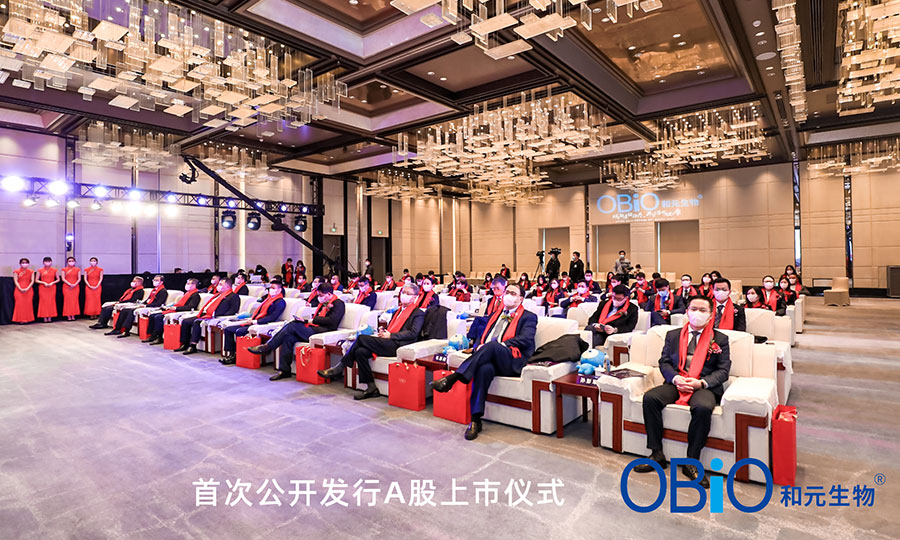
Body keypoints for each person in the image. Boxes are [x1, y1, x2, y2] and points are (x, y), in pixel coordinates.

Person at [634, 296, 731, 488]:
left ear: (710, 314)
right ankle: (656, 453)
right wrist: (676, 378)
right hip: (677, 381)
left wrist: (700, 383)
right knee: (650, 398)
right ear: (687, 312)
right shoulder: (673, 335)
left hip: (702, 384)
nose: (697, 314)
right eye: (693, 309)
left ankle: (691, 462)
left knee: (703, 408)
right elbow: (664, 362)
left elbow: (723, 371)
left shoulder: (720, 339)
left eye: (702, 310)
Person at [432, 283, 538, 440]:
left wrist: (500, 345)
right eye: (507, 292)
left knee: (493, 345)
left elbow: (526, 339)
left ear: (521, 299)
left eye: (513, 293)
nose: (508, 295)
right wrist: (478, 346)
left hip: (511, 359)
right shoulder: (496, 314)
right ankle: (475, 420)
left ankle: (454, 377)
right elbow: (482, 336)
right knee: (484, 370)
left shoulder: (529, 317)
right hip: (490, 357)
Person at [319, 283, 426, 399]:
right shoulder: (397, 311)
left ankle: (340, 367)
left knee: (361, 338)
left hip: (399, 344)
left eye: (408, 293)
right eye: (403, 292)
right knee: (360, 352)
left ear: (415, 297)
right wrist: (383, 331)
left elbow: (413, 333)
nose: (404, 295)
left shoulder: (418, 313)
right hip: (388, 341)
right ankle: (371, 387)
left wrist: (391, 335)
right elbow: (392, 327)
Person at [248, 283, 345, 380]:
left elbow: (332, 321)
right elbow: (316, 319)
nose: (319, 298)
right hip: (313, 328)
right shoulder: (323, 304)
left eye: (321, 295)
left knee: (292, 325)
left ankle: (268, 346)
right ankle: (284, 370)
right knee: (288, 338)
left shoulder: (338, 304)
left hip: (323, 331)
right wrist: (306, 321)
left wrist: (312, 320)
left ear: (329, 294)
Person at [220, 281, 286, 365]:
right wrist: (251, 319)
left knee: (239, 331)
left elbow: (273, 317)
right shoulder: (268, 299)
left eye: (273, 288)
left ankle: (238, 355)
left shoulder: (280, 302)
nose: (270, 290)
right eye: (270, 288)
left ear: (279, 290)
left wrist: (255, 321)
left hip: (263, 324)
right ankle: (231, 354)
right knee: (228, 329)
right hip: (254, 321)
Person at [176, 277, 240, 355]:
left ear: (227, 286)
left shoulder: (233, 296)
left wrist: (219, 315)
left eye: (220, 284)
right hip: (205, 314)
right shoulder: (217, 295)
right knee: (185, 321)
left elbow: (233, 310)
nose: (218, 286)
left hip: (215, 316)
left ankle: (193, 345)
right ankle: (184, 343)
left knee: (197, 322)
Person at [145, 279, 203, 344]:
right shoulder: (187, 294)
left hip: (182, 311)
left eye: (190, 284)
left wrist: (176, 308)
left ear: (195, 285)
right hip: (176, 309)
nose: (188, 285)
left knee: (158, 317)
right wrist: (171, 306)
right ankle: (152, 335)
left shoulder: (195, 295)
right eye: (187, 283)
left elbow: (190, 307)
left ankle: (158, 337)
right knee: (152, 316)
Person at [36, 257, 59, 322]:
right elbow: (36, 280)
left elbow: (58, 279)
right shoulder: (40, 270)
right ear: (43, 262)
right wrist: (43, 283)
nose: (47, 263)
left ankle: (50, 317)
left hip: (52, 287)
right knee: (43, 302)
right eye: (46, 261)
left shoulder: (55, 270)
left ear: (51, 262)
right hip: (43, 288)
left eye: (49, 261)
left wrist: (52, 282)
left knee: (51, 301)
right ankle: (44, 317)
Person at [12, 258, 35, 324]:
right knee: (20, 305)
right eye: (23, 263)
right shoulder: (16, 271)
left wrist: (27, 288)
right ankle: (20, 319)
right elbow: (16, 281)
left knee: (28, 305)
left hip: (29, 290)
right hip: (18, 290)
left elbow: (32, 281)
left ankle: (28, 319)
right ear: (20, 264)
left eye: (26, 263)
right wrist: (20, 288)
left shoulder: (31, 271)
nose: (25, 264)